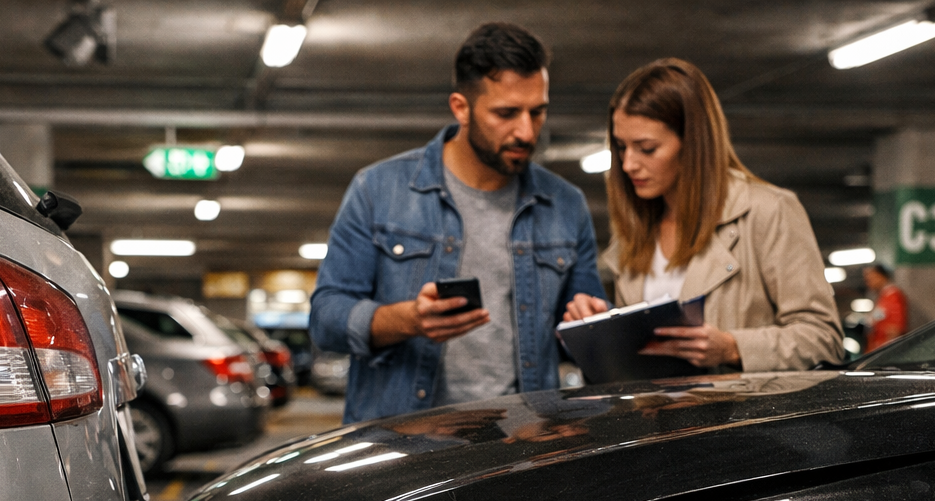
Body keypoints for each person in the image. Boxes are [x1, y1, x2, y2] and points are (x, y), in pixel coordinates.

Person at [311, 22, 607, 423]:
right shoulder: (377, 190)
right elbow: (326, 318)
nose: (526, 131)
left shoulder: (565, 204)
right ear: (461, 107)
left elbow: (584, 333)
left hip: (523, 441)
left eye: (537, 112)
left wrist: (592, 322)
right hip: (406, 440)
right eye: (506, 113)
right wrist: (408, 320)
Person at [566, 58, 841, 371]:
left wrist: (733, 348)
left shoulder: (769, 211)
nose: (628, 164)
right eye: (620, 147)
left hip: (744, 405)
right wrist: (604, 327)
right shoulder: (634, 232)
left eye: (647, 148)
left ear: (693, 143)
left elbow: (824, 339)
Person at [862, 263, 908, 350]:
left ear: (881, 276)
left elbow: (896, 329)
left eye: (871, 278)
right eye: (866, 280)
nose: (868, 283)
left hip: (887, 350)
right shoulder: (883, 298)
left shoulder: (893, 296)